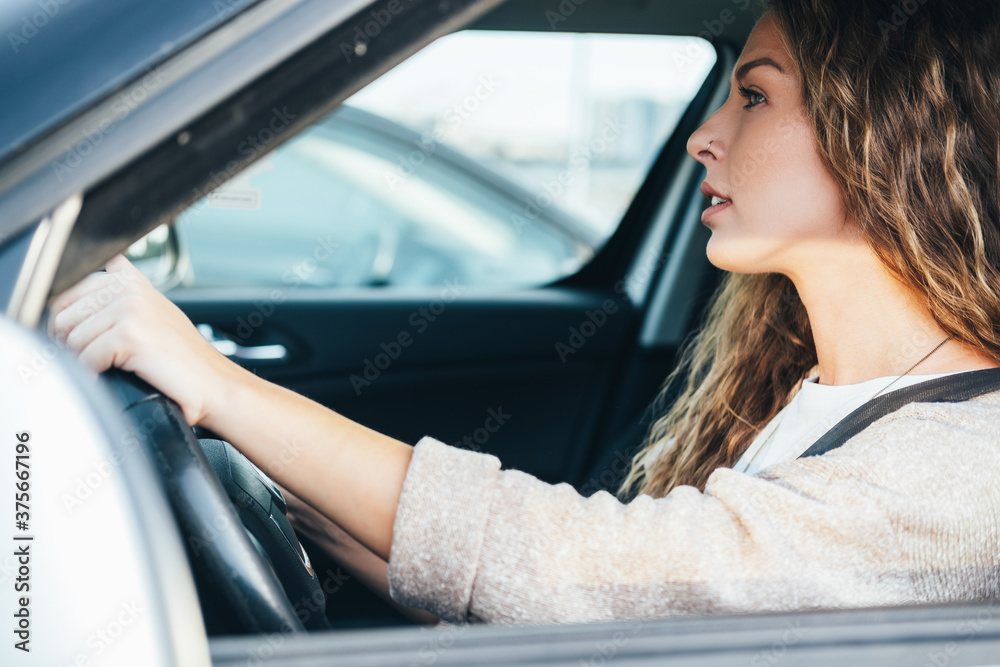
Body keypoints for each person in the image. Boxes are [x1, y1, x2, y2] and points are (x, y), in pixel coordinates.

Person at [48, 0, 1000, 626]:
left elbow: (586, 575)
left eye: (753, 97)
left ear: (887, 134)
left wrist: (218, 388)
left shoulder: (964, 467)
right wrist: (267, 477)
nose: (705, 138)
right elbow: (540, 594)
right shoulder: (816, 399)